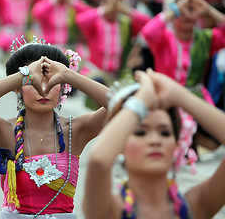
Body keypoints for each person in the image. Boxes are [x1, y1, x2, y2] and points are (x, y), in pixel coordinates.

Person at [0, 36, 110, 218]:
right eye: (34, 82)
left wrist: (68, 75)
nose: (43, 89)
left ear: (63, 87)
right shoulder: (3, 131)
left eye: (51, 81)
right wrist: (23, 75)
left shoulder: (75, 130)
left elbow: (123, 105)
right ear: (17, 87)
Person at [83, 68, 225, 219]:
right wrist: (143, 97)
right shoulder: (109, 210)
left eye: (164, 133)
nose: (155, 140)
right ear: (120, 145)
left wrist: (177, 95)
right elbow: (99, 160)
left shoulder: (195, 206)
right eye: (140, 132)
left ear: (176, 144)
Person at [141, 0, 225, 151]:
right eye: (183, 10)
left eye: (192, 10)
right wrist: (175, 10)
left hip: (195, 99)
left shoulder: (205, 39)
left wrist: (208, 9)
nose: (187, 14)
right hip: (165, 98)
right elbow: (148, 32)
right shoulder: (164, 37)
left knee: (217, 135)